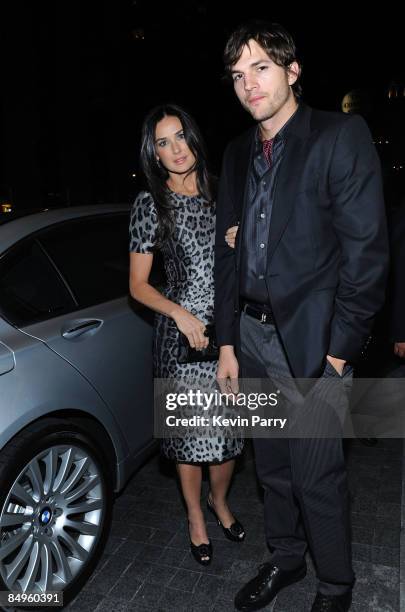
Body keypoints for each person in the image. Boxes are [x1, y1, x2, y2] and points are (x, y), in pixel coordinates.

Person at [214, 20, 389, 612]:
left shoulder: (340, 136)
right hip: (252, 338)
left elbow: (366, 254)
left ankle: (336, 587)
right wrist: (227, 346)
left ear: (292, 71)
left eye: (261, 68)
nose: (249, 84)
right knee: (274, 470)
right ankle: (286, 559)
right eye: (238, 75)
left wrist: (339, 351)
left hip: (313, 347)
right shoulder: (237, 152)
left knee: (318, 478)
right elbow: (225, 254)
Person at [129, 104, 245, 566]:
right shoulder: (150, 204)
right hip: (179, 339)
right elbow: (137, 285)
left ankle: (221, 502)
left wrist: (239, 243)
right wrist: (179, 313)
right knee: (190, 439)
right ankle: (196, 515)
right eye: (163, 142)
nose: (176, 149)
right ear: (154, 154)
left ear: (195, 138)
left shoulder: (225, 195)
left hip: (230, 335)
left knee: (229, 435)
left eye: (180, 137)